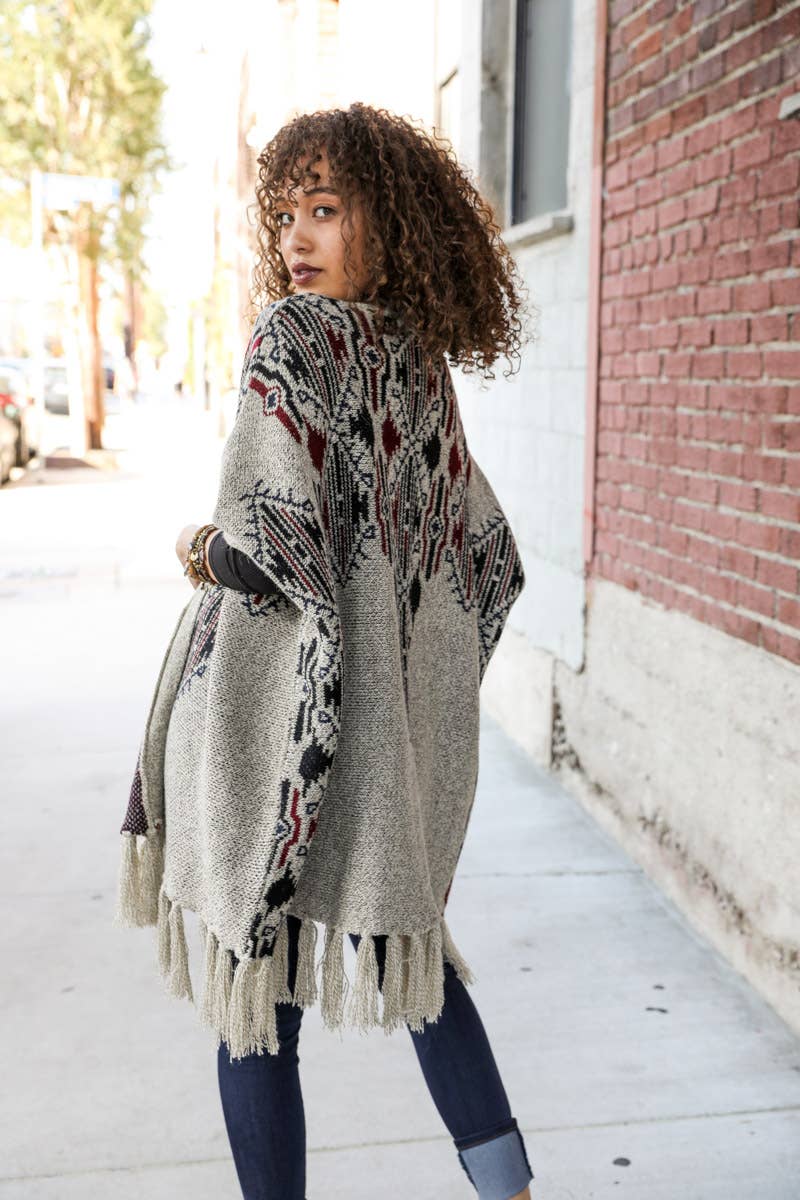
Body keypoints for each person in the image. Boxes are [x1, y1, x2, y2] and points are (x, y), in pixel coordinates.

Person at [118, 102, 534, 1200]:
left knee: (257, 995)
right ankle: (512, 1188)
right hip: (376, 742)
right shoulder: (419, 367)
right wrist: (406, 681)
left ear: (384, 225)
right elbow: (483, 559)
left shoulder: (289, 342)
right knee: (418, 966)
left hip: (283, 743)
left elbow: (268, 555)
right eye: (288, 212)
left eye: (326, 209)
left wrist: (201, 547)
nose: (297, 236)